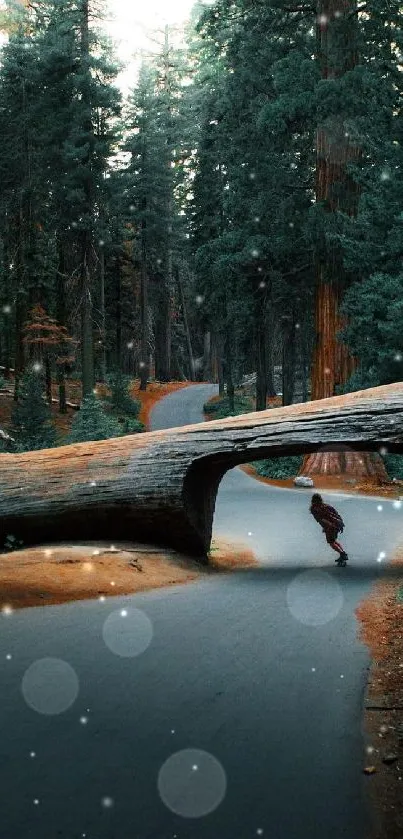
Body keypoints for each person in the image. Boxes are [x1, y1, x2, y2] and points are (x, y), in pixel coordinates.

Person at [310, 493, 348, 563]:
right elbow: (336, 514)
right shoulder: (327, 506)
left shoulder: (315, 509)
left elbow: (322, 519)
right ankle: (343, 553)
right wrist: (339, 524)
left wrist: (328, 526)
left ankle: (342, 554)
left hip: (331, 526)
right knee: (333, 541)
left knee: (331, 542)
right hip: (337, 524)